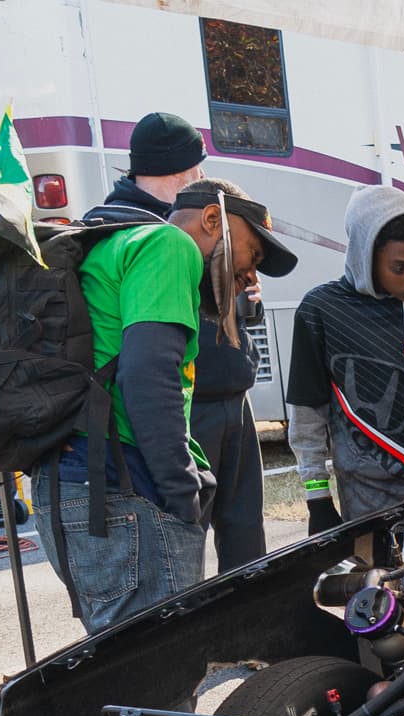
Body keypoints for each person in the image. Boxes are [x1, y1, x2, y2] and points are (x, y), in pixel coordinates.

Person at [35, 177, 294, 630]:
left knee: (123, 669)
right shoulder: (169, 245)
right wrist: (181, 497)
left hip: (77, 483)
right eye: (252, 254)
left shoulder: (118, 242)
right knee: (161, 680)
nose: (251, 276)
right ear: (213, 219)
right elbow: (149, 379)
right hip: (120, 485)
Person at [82, 114, 271, 572]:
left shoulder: (180, 227)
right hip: (182, 409)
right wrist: (181, 492)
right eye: (198, 167)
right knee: (183, 554)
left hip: (227, 394)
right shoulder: (160, 237)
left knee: (243, 537)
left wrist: (244, 299)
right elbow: (147, 371)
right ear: (186, 169)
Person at [286, 188, 404, 528]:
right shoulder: (322, 311)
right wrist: (317, 497)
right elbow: (307, 415)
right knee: (378, 580)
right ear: (365, 257)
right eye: (400, 267)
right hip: (366, 492)